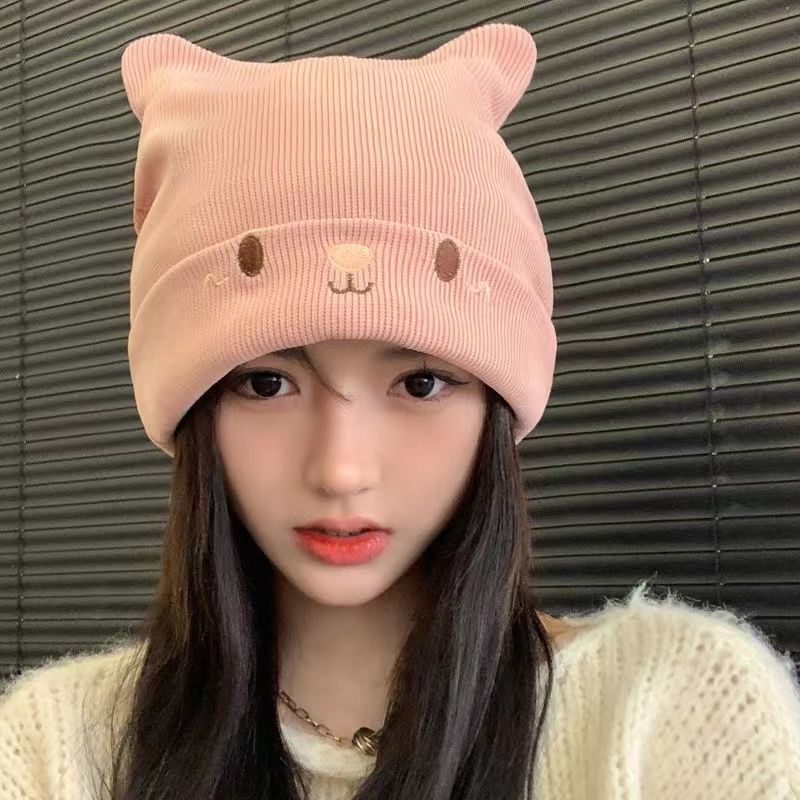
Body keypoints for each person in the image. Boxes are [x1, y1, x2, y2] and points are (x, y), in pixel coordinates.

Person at [2, 22, 799, 800]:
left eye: (419, 384)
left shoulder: (670, 712)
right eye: (267, 384)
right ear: (193, 409)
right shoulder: (54, 747)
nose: (342, 469)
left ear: (495, 405)